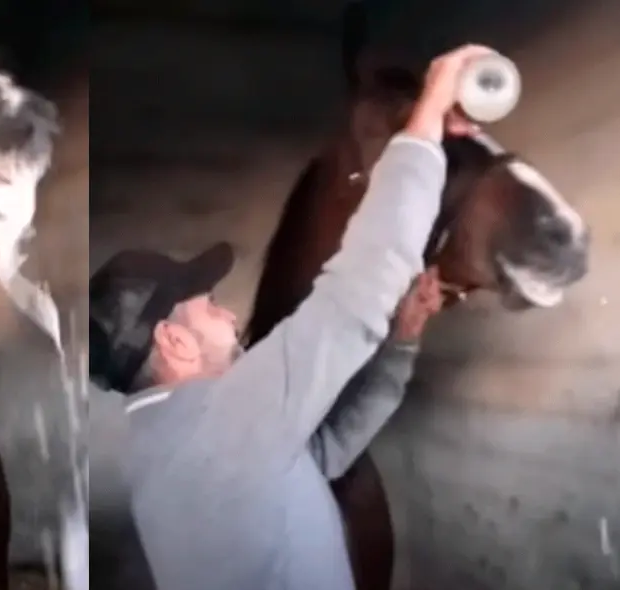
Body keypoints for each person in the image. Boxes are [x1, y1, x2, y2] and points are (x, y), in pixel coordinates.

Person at [88, 43, 492, 590]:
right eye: (206, 306)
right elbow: (364, 280)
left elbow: (317, 458)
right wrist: (424, 122)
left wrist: (401, 341)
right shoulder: (223, 423)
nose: (229, 315)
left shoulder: (164, 444)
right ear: (174, 342)